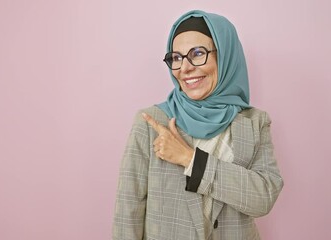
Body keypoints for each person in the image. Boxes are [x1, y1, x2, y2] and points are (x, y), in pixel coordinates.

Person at [112, 10, 284, 240]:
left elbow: (263, 198)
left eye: (197, 53)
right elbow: (127, 214)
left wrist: (190, 160)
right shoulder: (152, 122)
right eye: (176, 57)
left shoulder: (254, 123)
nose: (185, 68)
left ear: (224, 56)